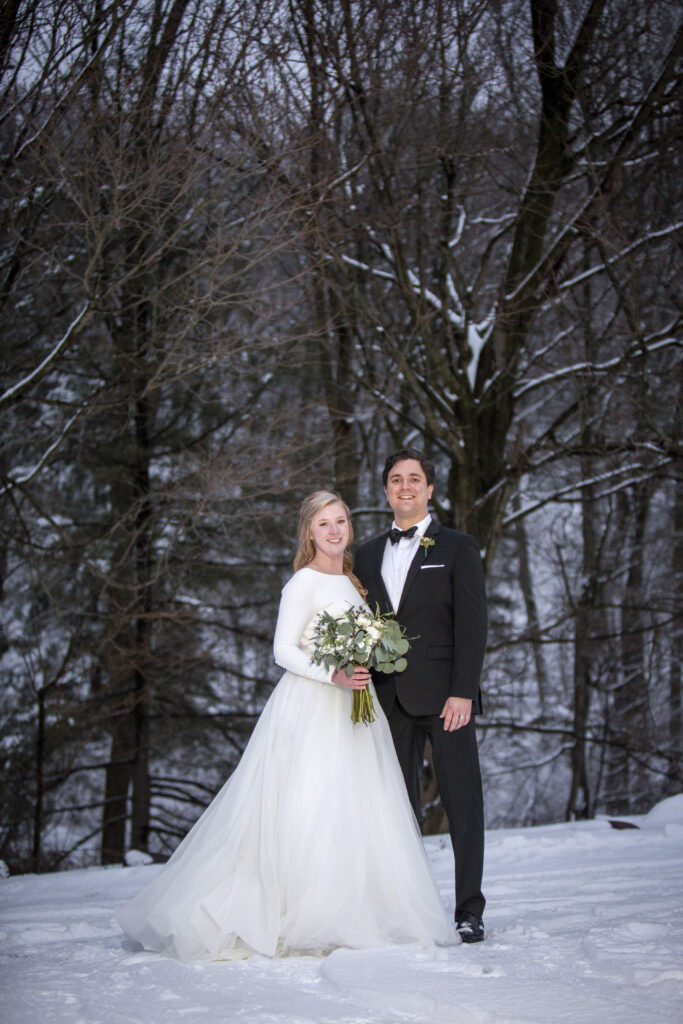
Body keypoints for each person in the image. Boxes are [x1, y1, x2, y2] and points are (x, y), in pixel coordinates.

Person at [117, 490, 454, 961]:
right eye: (323, 525)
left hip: (356, 708)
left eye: (340, 521)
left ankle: (353, 909)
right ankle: (296, 911)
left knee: (357, 807)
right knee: (310, 804)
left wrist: (366, 661)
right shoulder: (304, 582)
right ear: (309, 533)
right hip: (314, 705)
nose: (335, 531)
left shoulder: (355, 582)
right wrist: (332, 673)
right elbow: (283, 650)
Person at [354, 450, 488, 943]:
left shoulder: (458, 547)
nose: (405, 486)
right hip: (388, 701)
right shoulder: (365, 554)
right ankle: (406, 910)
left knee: (463, 803)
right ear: (386, 490)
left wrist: (463, 692)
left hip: (447, 700)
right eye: (396, 479)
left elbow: (473, 625)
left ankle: (469, 909)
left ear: (430, 489)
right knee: (394, 807)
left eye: (415, 479)